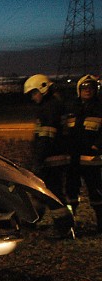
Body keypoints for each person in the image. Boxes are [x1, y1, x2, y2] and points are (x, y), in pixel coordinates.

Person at [23, 74, 75, 239]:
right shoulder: (55, 105)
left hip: (51, 159)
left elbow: (45, 138)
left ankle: (64, 227)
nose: (33, 97)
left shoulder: (49, 108)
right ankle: (30, 221)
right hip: (55, 157)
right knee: (39, 192)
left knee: (53, 193)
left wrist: (38, 161)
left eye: (34, 93)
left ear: (43, 88)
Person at [64, 74, 102, 234]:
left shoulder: (100, 107)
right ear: (78, 90)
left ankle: (100, 222)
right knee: (71, 190)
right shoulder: (72, 108)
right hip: (74, 158)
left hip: (92, 159)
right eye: (84, 88)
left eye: (91, 88)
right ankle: (72, 221)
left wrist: (97, 146)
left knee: (96, 191)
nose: (88, 91)